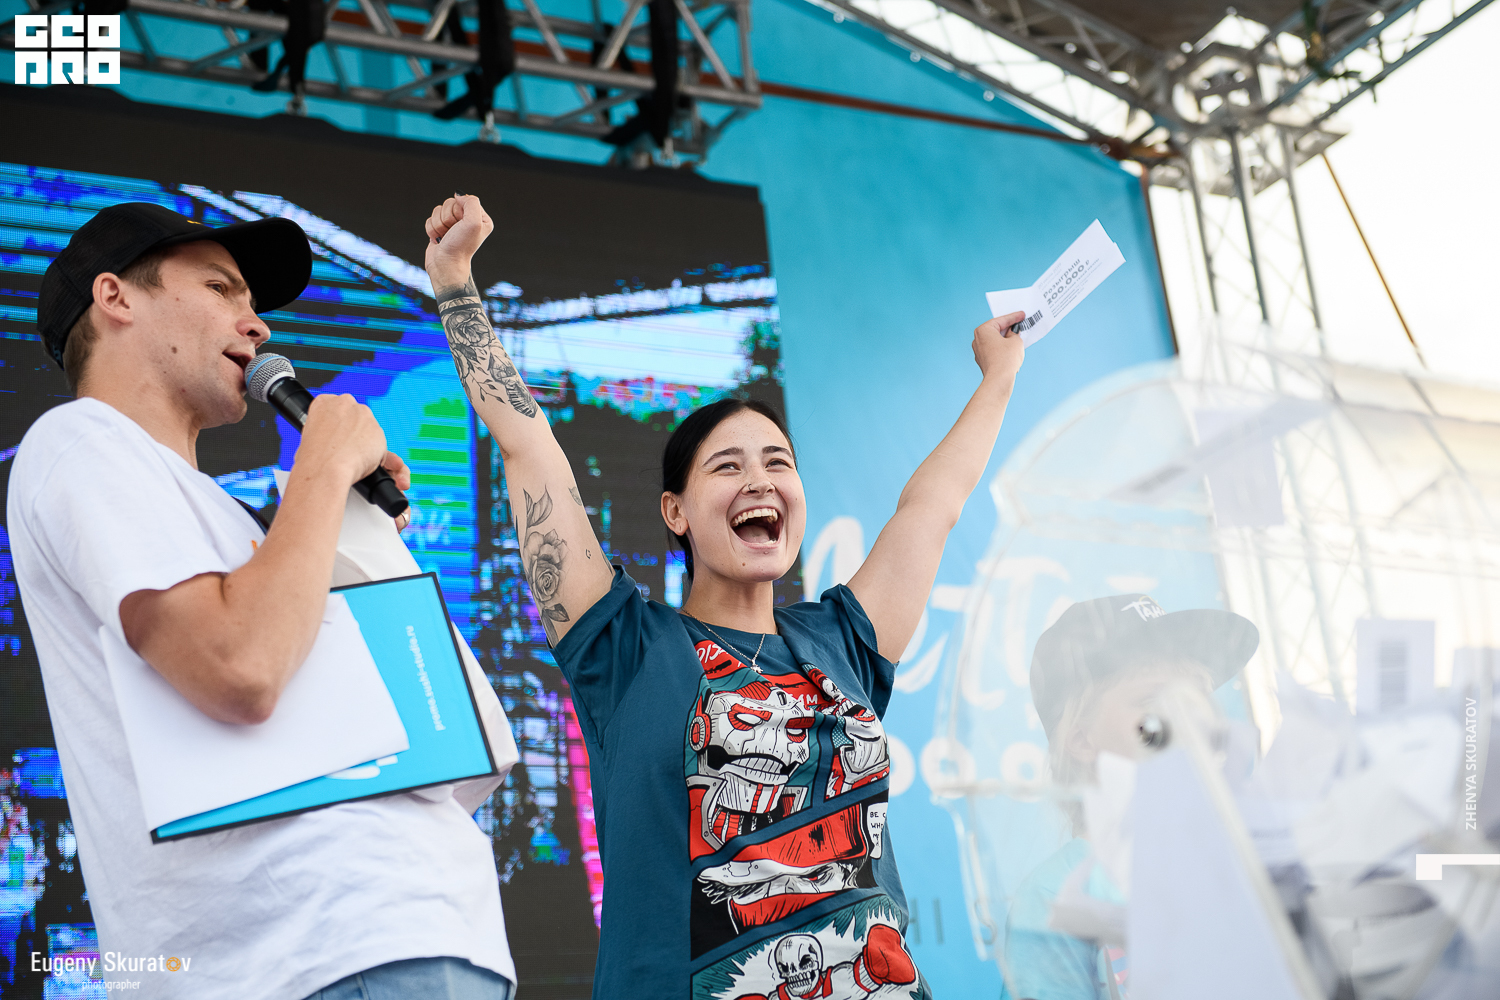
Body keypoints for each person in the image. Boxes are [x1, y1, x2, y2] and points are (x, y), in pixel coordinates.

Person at [423, 193, 1028, 1000]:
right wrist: (455, 284)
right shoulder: (625, 648)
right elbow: (530, 447)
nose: (761, 480)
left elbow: (933, 507)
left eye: (778, 462)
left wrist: (1000, 375)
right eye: (728, 466)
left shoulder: (842, 642)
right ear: (675, 512)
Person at [8, 203, 516, 1000]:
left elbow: (434, 741)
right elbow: (239, 665)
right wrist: (322, 466)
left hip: (422, 932)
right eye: (222, 289)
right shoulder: (77, 442)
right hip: (312, 955)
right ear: (115, 297)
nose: (257, 326)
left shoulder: (236, 519)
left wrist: (347, 523)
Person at [1003, 593, 1258, 1000]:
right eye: (1154, 702)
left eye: (1196, 695)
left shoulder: (1246, 867)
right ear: (1082, 740)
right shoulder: (1052, 899)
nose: (1188, 720)